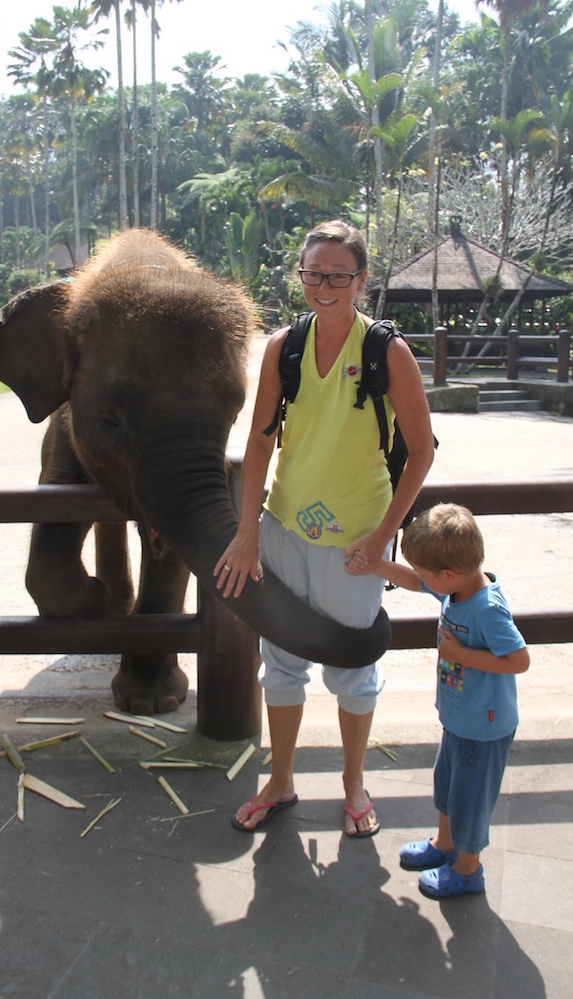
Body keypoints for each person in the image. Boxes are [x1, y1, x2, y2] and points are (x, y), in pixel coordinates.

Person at [215, 219, 435, 834]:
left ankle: (353, 784)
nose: (324, 285)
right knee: (280, 661)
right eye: (314, 273)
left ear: (361, 280)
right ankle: (280, 781)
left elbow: (421, 452)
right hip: (284, 528)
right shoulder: (282, 347)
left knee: (352, 668)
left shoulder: (386, 352)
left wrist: (382, 535)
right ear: (301, 276)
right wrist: (247, 530)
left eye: (339, 275)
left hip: (354, 542)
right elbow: (259, 444)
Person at [347, 503, 529, 897]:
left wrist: (460, 655)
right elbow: (416, 582)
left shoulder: (488, 609)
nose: (423, 580)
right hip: (460, 717)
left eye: (429, 574)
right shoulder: (458, 587)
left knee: (470, 798)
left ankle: (468, 869)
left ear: (449, 574)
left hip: (485, 726)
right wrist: (375, 564)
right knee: (447, 786)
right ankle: (445, 845)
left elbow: (519, 659)